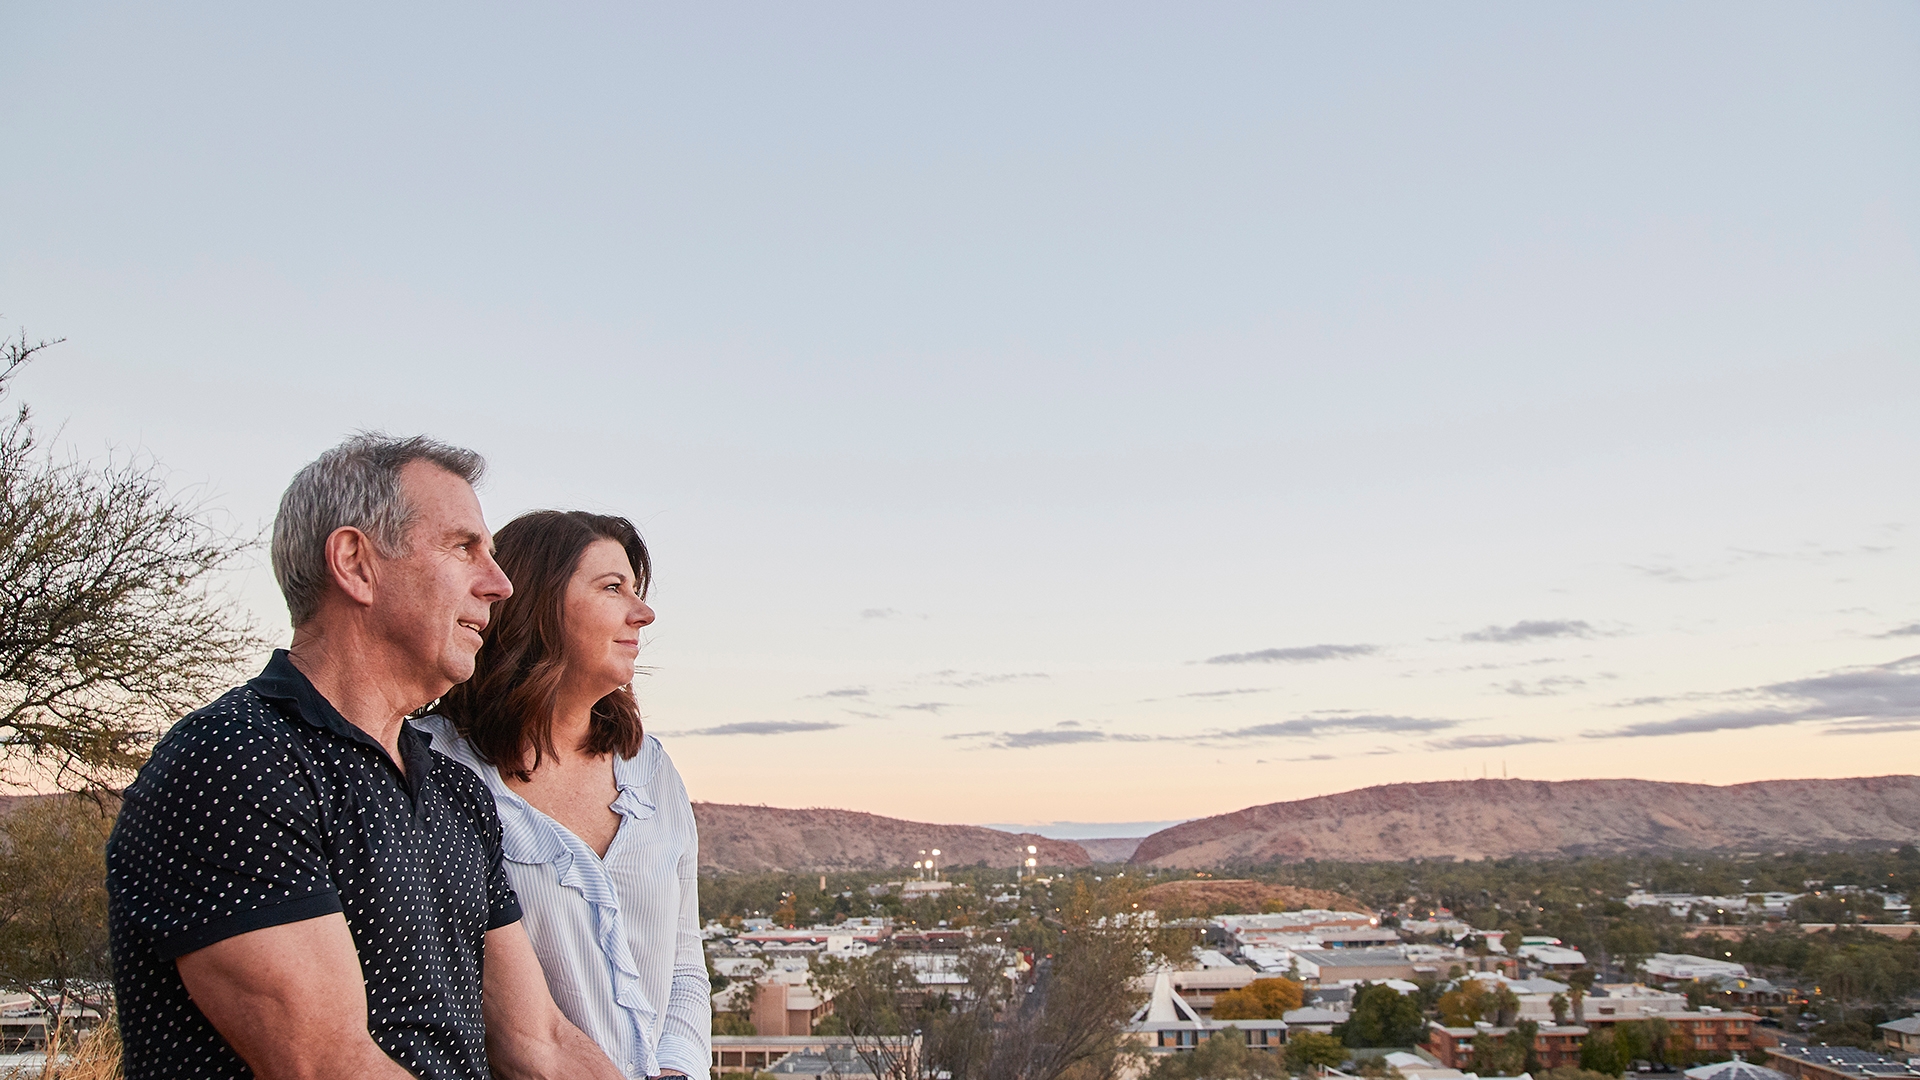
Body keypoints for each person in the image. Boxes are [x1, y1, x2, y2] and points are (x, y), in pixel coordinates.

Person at [106, 435, 626, 1080]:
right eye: (463, 548)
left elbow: (538, 1042)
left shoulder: (456, 793)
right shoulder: (235, 762)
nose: (500, 585)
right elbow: (330, 1063)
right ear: (355, 564)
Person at [417, 510, 709, 1080]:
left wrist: (677, 1070)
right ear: (537, 605)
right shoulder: (429, 767)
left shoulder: (650, 769)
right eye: (612, 588)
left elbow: (684, 964)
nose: (643, 613)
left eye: (637, 590)